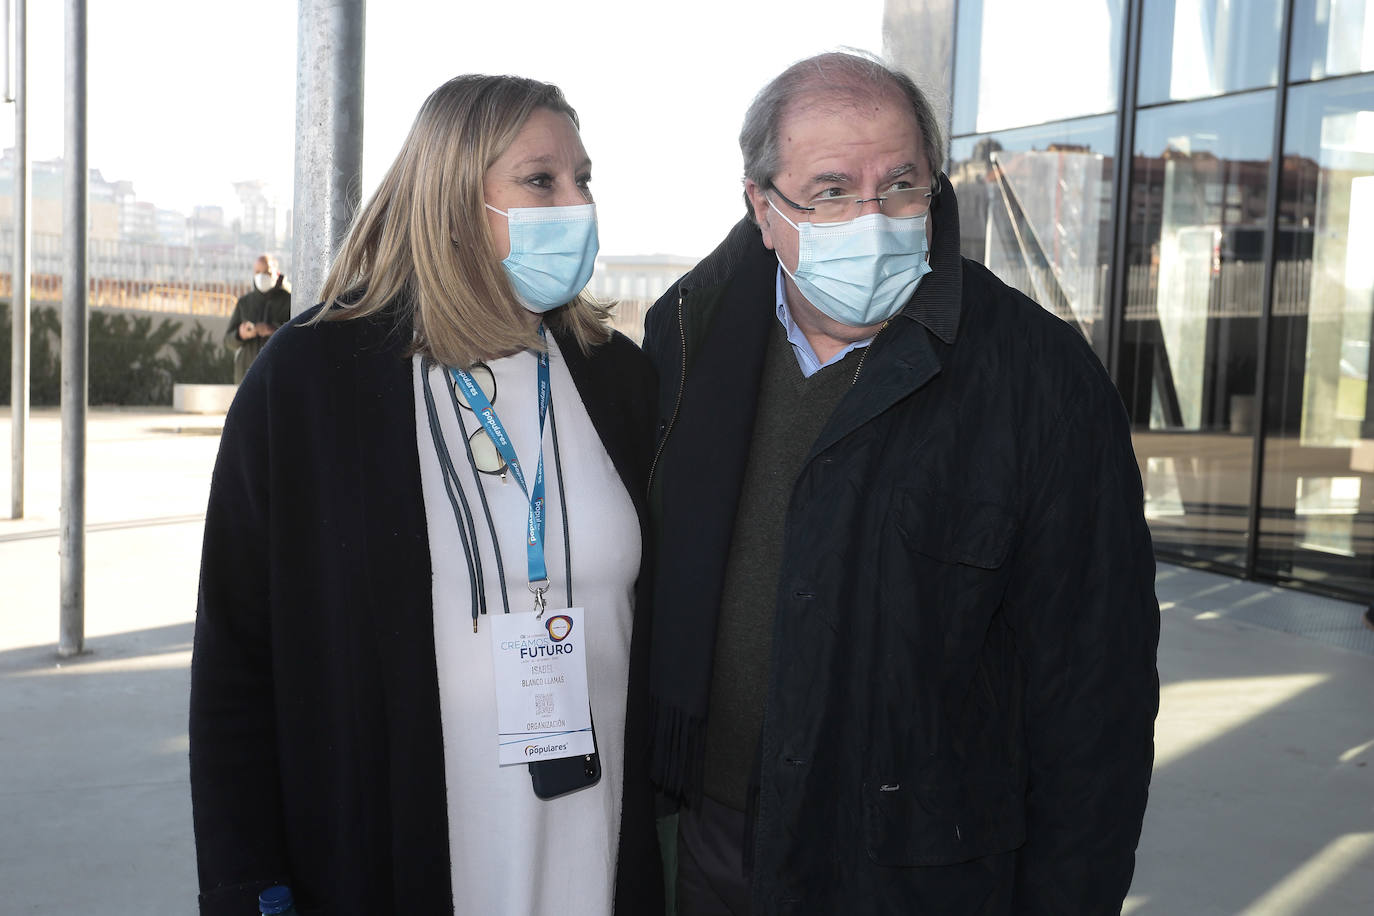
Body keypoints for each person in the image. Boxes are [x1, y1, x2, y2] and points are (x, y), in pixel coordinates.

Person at [642, 51, 1160, 915]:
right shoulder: (687, 339)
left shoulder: (1039, 378)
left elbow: (1094, 695)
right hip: (711, 840)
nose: (874, 218)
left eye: (903, 185)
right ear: (762, 208)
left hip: (916, 871)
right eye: (833, 190)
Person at [190, 75, 663, 915]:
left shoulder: (617, 380)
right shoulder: (311, 380)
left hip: (594, 840)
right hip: (389, 856)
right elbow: (238, 656)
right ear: (449, 199)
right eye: (540, 180)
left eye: (583, 178)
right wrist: (243, 883)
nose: (576, 203)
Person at [223, 253, 292, 383]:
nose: (261, 276)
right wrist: (240, 334)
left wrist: (274, 330)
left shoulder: (290, 301)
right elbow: (228, 341)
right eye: (257, 272)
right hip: (246, 376)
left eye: (266, 272)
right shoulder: (244, 302)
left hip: (278, 375)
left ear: (276, 273)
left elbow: (296, 337)